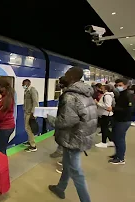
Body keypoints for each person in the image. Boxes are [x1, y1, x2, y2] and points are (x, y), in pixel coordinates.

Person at [48, 67, 97, 202]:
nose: (64, 76)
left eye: (66, 74)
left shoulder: (70, 96)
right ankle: (60, 188)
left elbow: (66, 121)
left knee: (76, 172)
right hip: (82, 135)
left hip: (73, 137)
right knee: (67, 164)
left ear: (71, 77)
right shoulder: (86, 93)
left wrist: (50, 119)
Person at [109, 78, 135, 165]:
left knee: (120, 139)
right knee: (116, 138)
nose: (118, 87)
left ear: (126, 85)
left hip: (124, 120)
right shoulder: (121, 94)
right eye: (117, 85)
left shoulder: (128, 95)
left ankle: (121, 158)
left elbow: (129, 109)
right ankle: (117, 154)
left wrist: (114, 108)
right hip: (118, 119)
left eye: (120, 85)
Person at [0, 77, 15, 154]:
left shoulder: (7, 99)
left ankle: (3, 165)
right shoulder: (6, 97)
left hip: (5, 127)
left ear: (2, 87)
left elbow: (1, 115)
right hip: (7, 126)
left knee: (1, 150)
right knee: (2, 149)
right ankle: (3, 165)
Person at [22, 79, 39, 152]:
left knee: (28, 128)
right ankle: (29, 141)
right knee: (28, 128)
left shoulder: (32, 90)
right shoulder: (26, 90)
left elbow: (35, 102)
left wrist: (33, 113)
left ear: (28, 83)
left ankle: (33, 146)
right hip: (27, 111)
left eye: (24, 84)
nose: (23, 85)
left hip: (30, 113)